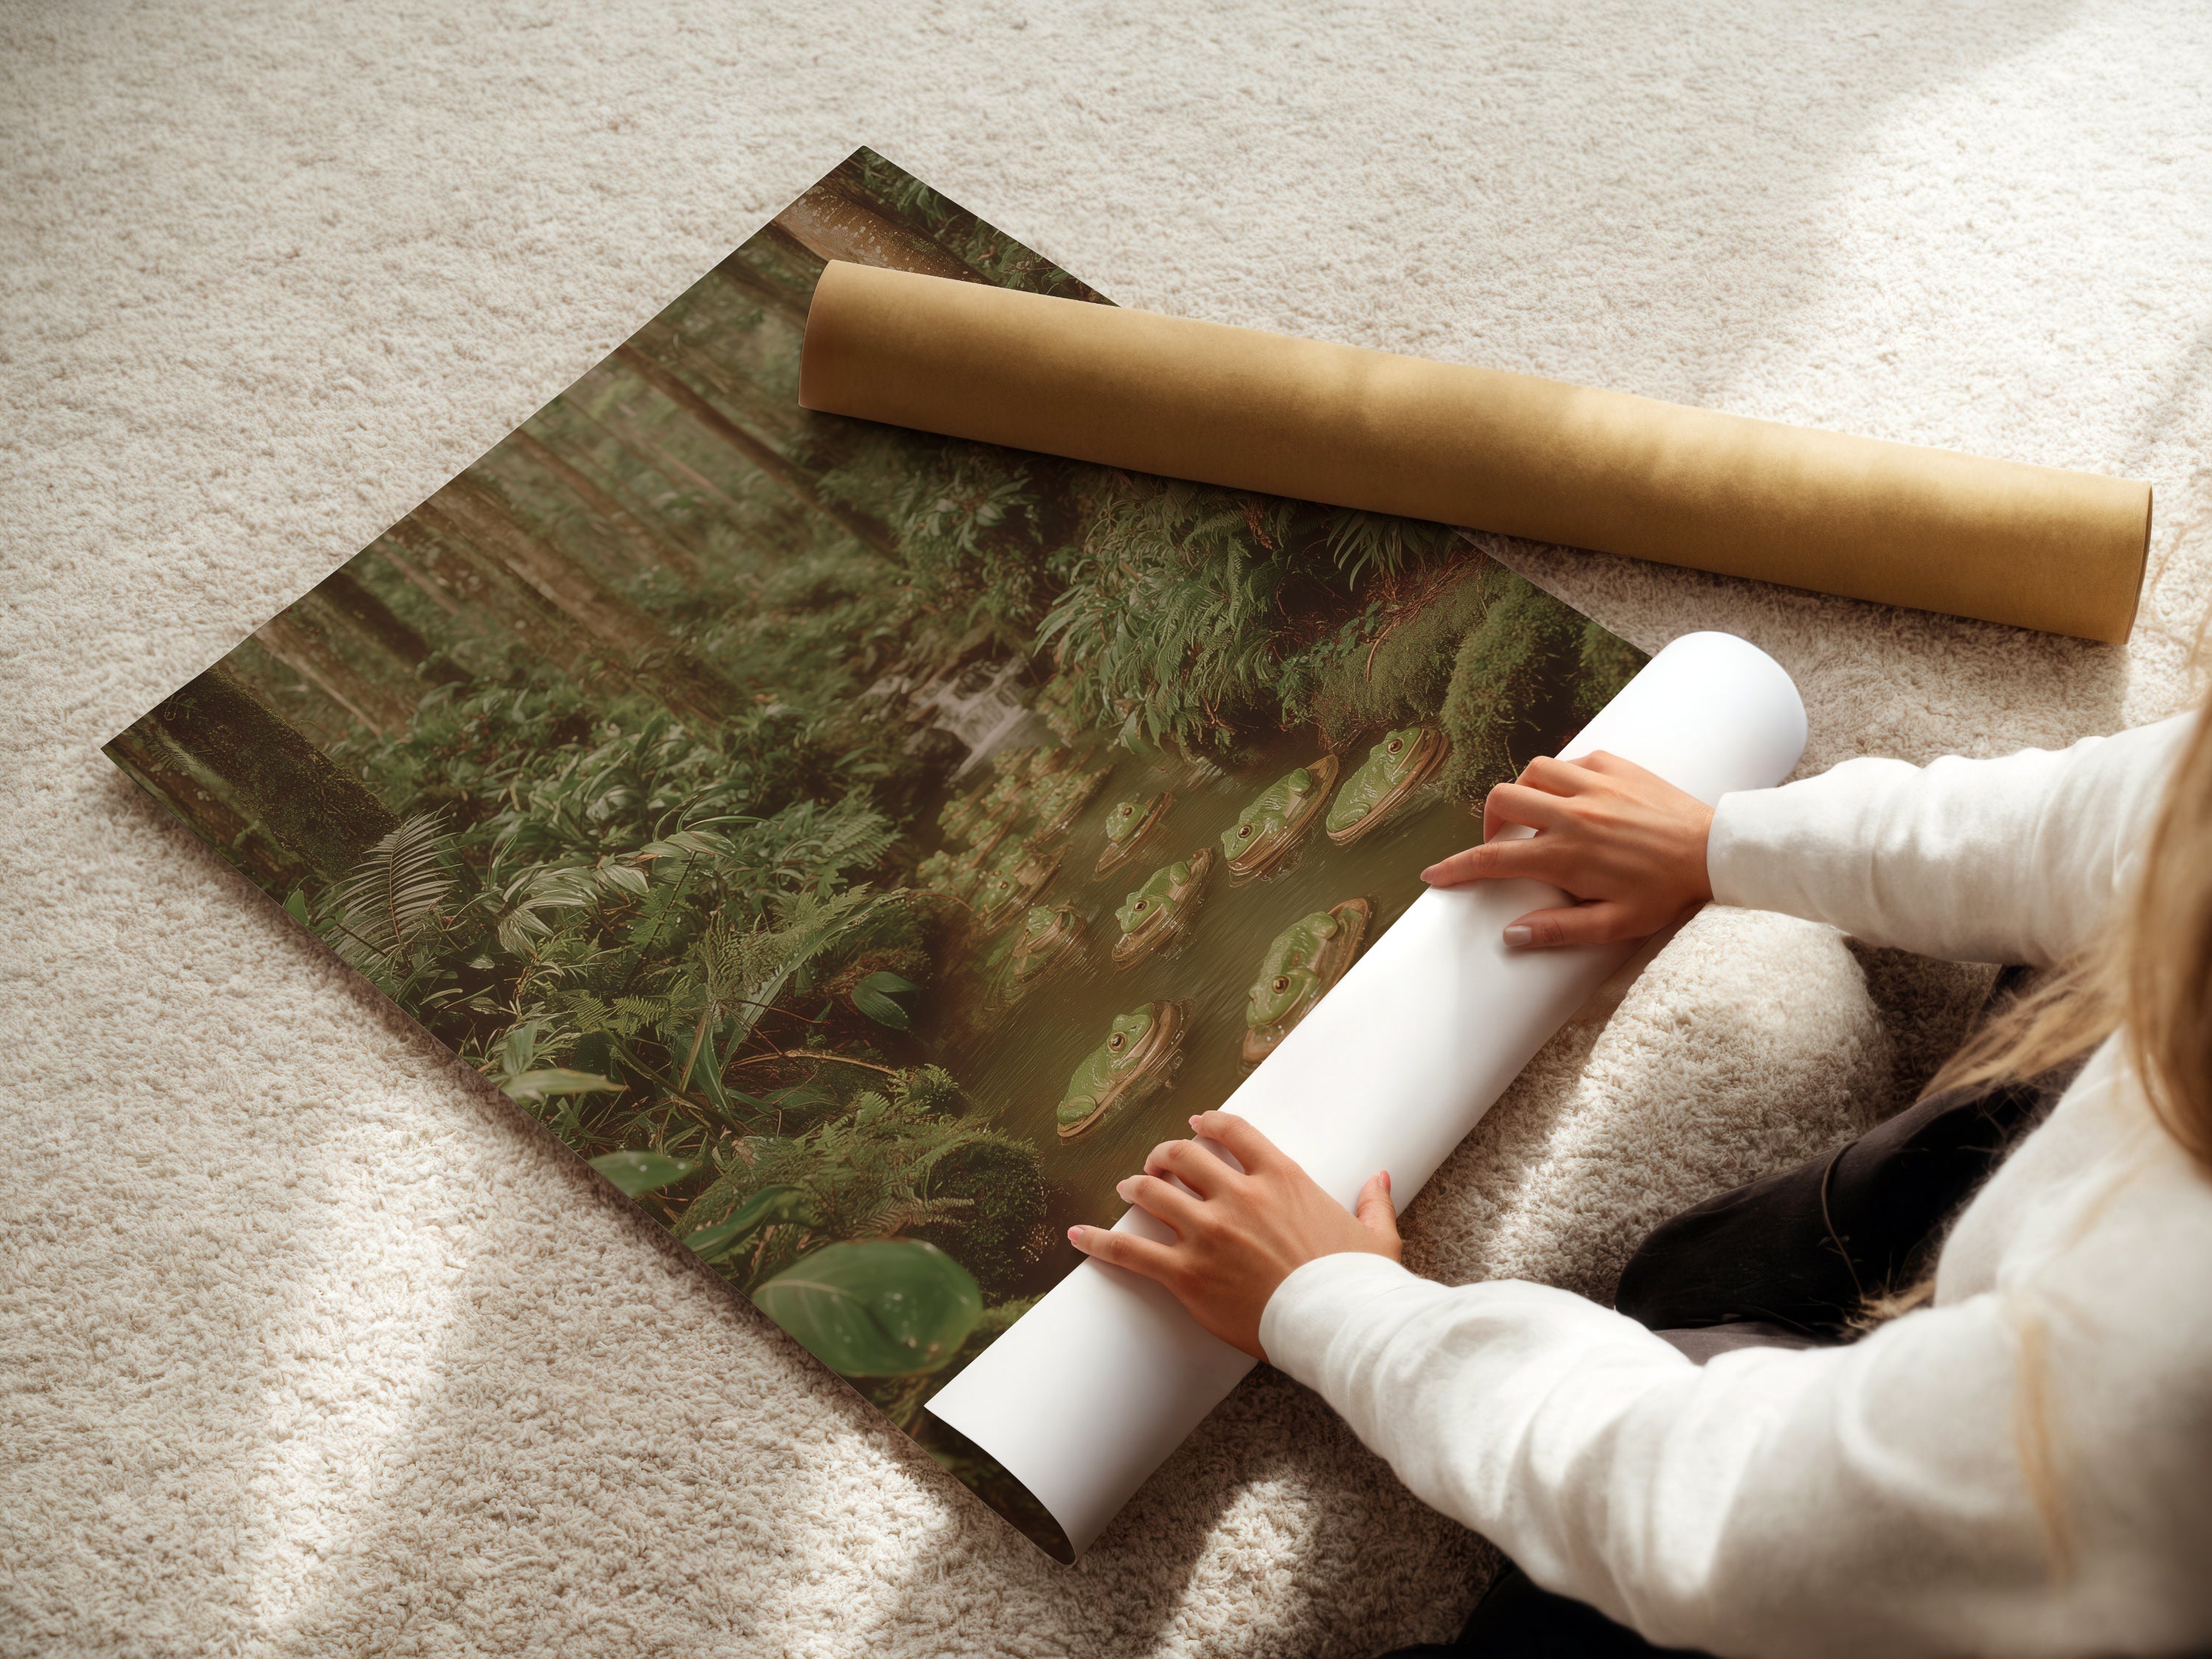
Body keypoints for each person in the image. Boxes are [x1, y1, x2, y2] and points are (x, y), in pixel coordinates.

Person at [1067, 713, 2212, 1657]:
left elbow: (1721, 1511)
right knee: (1696, 1272)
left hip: (2041, 1550)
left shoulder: (2158, 1374)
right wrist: (1719, 841)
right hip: (2052, 1320)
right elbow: (2116, 819)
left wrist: (1335, 1306)